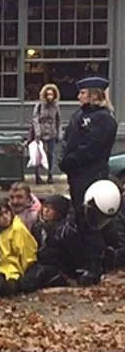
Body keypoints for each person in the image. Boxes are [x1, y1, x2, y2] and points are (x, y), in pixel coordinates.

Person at [59, 76, 117, 285]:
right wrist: (63, 158)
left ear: (94, 94)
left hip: (92, 176)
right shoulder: (79, 115)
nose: (79, 96)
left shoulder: (104, 119)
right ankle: (82, 262)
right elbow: (68, 139)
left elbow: (92, 147)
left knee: (92, 221)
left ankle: (94, 267)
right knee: (80, 220)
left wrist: (71, 160)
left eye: (83, 93)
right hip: (76, 176)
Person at [30, 84, 61, 184]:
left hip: (51, 132)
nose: (50, 96)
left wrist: (59, 133)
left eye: (51, 94)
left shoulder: (56, 106)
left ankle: (50, 175)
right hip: (41, 132)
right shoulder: (39, 106)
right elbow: (35, 120)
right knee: (38, 154)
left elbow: (58, 120)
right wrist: (38, 133)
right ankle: (37, 176)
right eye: (48, 94)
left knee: (50, 155)